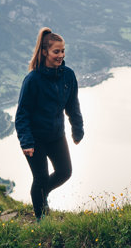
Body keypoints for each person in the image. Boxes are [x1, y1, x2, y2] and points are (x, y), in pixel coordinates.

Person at [15, 28, 84, 219]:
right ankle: (41, 220)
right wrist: (26, 142)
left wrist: (77, 130)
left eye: (63, 51)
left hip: (56, 135)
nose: (60, 55)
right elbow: (22, 114)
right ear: (45, 52)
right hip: (35, 139)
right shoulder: (33, 79)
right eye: (56, 51)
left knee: (65, 172)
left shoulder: (68, 75)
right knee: (41, 178)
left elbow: (72, 104)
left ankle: (41, 194)